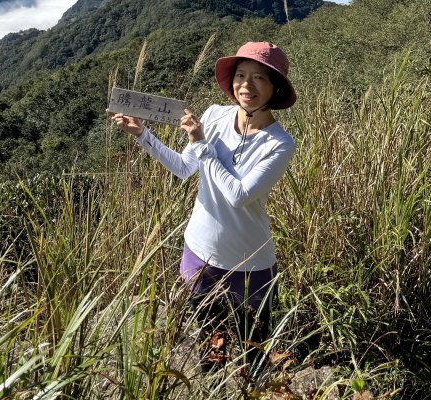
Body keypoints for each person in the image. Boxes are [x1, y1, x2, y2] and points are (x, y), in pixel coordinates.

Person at [109, 41, 297, 369]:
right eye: (241, 75)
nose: (246, 85)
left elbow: (239, 195)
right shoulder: (214, 115)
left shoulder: (279, 144)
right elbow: (184, 168)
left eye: (259, 78)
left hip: (249, 263)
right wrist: (142, 135)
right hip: (201, 252)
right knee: (212, 346)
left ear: (275, 87)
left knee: (254, 353)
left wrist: (202, 143)